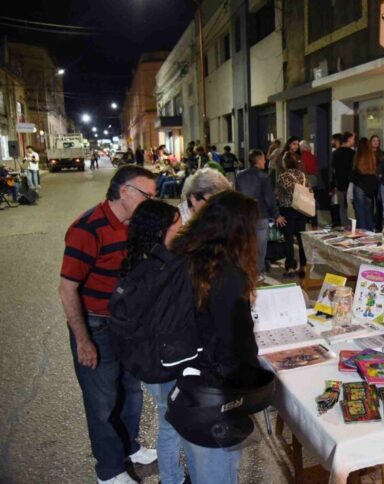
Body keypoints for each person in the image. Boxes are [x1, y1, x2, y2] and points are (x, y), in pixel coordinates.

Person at [58, 165, 158, 484]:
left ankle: (130, 447)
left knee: (131, 391)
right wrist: (83, 340)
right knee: (101, 402)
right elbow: (68, 288)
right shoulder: (87, 229)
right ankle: (109, 470)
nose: (152, 202)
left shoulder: (136, 226)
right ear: (124, 191)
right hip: (96, 326)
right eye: (147, 196)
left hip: (128, 324)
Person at [170, 191, 261, 484]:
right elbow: (238, 342)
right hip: (215, 392)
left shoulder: (184, 254)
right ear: (238, 230)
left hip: (187, 382)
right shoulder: (227, 274)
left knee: (201, 466)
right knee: (218, 471)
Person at [120, 200, 184, 484]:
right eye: (177, 228)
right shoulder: (159, 270)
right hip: (163, 363)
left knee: (170, 419)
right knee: (171, 424)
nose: (182, 233)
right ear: (159, 231)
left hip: (150, 361)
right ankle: (172, 479)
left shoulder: (137, 261)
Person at [236, 149, 286, 277]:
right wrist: (276, 215)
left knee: (247, 244)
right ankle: (258, 271)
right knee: (260, 247)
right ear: (258, 160)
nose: (265, 161)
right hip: (260, 215)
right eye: (263, 159)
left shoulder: (239, 176)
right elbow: (269, 198)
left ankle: (246, 269)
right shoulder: (264, 177)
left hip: (244, 216)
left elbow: (237, 196)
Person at [276, 152, 310, 277]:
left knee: (288, 240)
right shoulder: (303, 176)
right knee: (301, 240)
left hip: (287, 211)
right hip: (301, 210)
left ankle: (290, 267)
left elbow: (279, 195)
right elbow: (309, 191)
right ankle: (304, 266)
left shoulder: (282, 177)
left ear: (285, 163)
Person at [350, 137, 379, 231]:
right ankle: (370, 231)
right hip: (370, 185)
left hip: (359, 184)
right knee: (368, 211)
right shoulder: (372, 156)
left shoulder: (358, 156)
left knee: (360, 210)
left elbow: (354, 172)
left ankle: (362, 231)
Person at [330, 132, 355, 228]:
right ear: (349, 139)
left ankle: (345, 226)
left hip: (340, 182)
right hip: (351, 183)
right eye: (353, 139)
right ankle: (353, 226)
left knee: (342, 206)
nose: (354, 141)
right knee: (351, 205)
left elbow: (333, 169)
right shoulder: (353, 153)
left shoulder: (336, 153)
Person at [369, 135, 384, 232]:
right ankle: (370, 224)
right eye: (374, 140)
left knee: (379, 204)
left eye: (377, 141)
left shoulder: (382, 154)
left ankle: (379, 225)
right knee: (370, 204)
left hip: (379, 182)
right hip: (370, 181)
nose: (376, 142)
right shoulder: (367, 153)